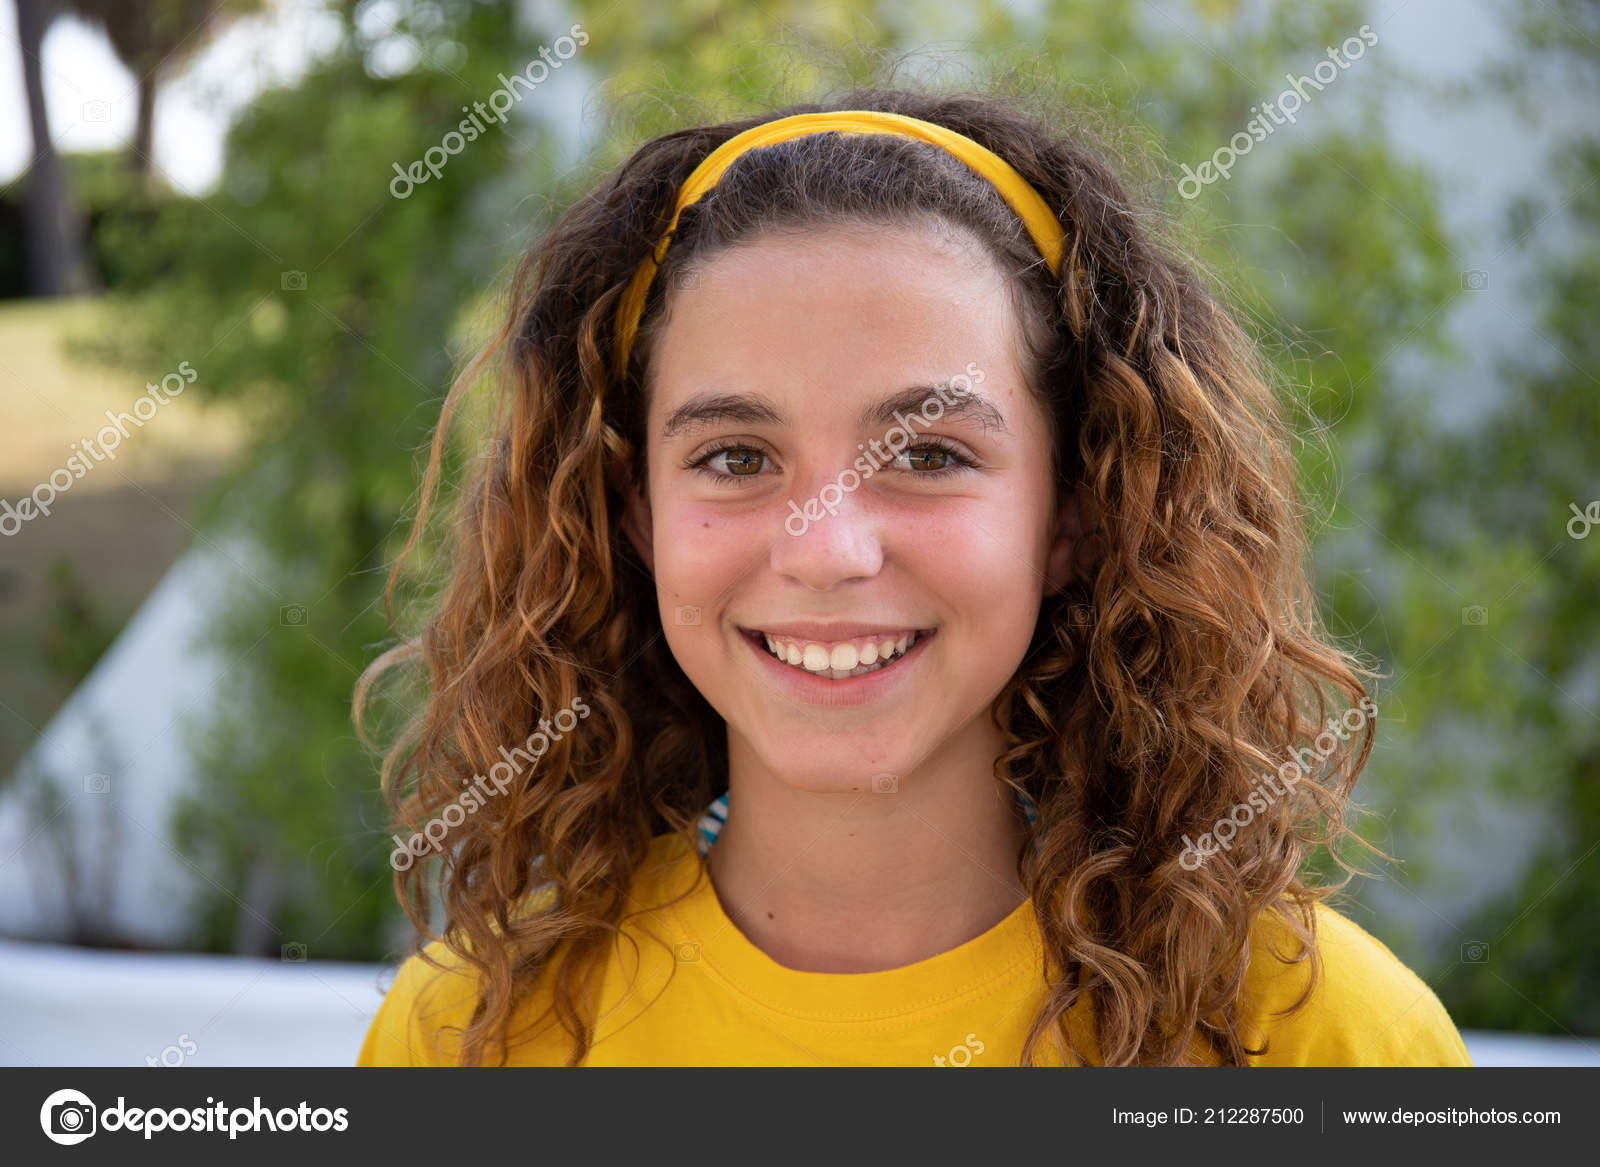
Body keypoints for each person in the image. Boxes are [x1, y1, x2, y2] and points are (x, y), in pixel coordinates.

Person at [353, 89, 1471, 1067]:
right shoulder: (471, 1037)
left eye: (929, 457)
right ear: (634, 516)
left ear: (1074, 513)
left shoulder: (1326, 1044)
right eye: (735, 458)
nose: (826, 551)